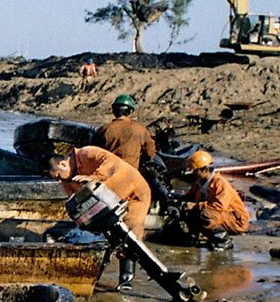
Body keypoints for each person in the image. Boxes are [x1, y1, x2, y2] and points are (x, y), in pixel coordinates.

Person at [46, 146, 152, 289]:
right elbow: (75, 200)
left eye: (58, 176)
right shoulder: (68, 181)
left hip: (133, 192)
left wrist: (93, 178)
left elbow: (111, 163)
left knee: (129, 235)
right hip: (108, 200)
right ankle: (95, 274)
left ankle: (126, 279)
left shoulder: (87, 152)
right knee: (107, 235)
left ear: (63, 164)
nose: (59, 181)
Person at [177, 149, 250, 251]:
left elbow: (219, 206)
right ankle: (193, 237)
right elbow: (189, 197)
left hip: (235, 220)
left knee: (204, 214)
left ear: (205, 169)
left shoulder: (220, 184)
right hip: (219, 215)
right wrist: (178, 200)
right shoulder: (199, 184)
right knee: (189, 211)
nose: (193, 173)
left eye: (195, 171)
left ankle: (223, 240)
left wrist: (195, 206)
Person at [92, 93, 157, 170]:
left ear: (114, 111)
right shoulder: (141, 130)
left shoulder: (104, 129)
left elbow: (93, 152)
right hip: (129, 174)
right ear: (130, 111)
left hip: (107, 172)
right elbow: (150, 153)